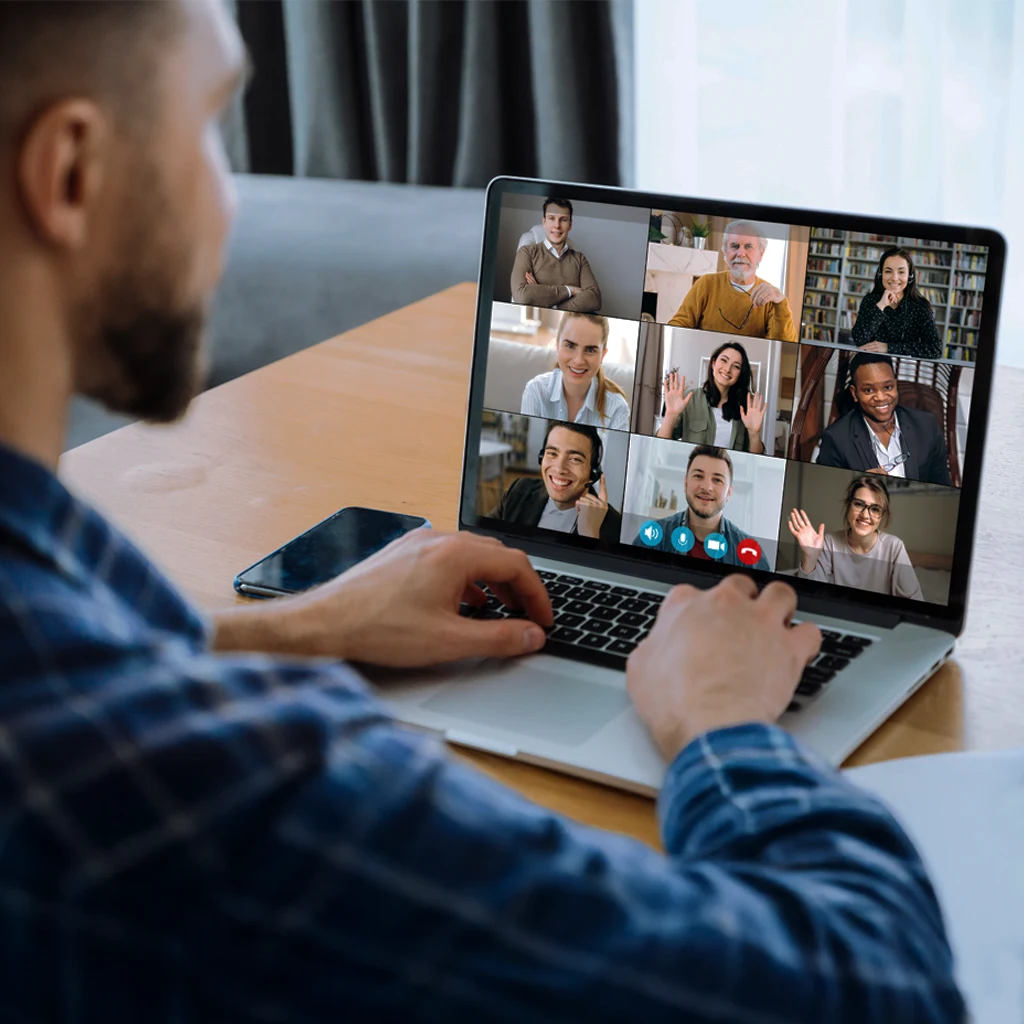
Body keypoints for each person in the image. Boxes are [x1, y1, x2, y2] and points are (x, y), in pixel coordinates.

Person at [0, 2, 966, 1020]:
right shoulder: (225, 801)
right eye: (207, 124)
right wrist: (720, 725)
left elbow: (97, 652)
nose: (230, 203)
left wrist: (294, 626)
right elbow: (874, 985)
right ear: (71, 173)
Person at [816, 353, 953, 486]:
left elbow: (943, 485)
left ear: (895, 385)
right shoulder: (836, 439)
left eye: (887, 387)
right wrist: (859, 483)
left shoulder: (927, 425)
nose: (881, 397)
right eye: (869, 390)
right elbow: (826, 490)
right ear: (855, 393)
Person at [632, 446, 771, 570]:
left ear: (729, 493)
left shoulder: (750, 554)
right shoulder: (651, 539)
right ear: (686, 483)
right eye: (698, 476)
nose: (706, 487)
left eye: (717, 480)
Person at [789, 476, 925, 600]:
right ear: (849, 506)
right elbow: (808, 594)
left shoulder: (894, 547)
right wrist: (810, 557)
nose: (865, 515)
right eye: (859, 504)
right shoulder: (830, 542)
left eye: (875, 509)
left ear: (882, 516)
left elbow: (914, 600)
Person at [667, 219, 797, 341]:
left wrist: (781, 302)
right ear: (725, 252)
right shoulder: (705, 284)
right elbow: (678, 325)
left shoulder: (771, 298)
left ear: (760, 254)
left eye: (748, 246)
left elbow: (784, 344)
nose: (740, 253)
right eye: (734, 246)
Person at [495, 422, 622, 542]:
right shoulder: (520, 489)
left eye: (575, 459)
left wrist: (589, 534)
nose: (559, 468)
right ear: (541, 458)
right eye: (552, 453)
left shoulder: (615, 525)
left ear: (593, 472)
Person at [520, 312, 630, 429]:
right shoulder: (535, 391)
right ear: (557, 346)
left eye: (590, 350)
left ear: (603, 355)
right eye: (570, 346)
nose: (578, 360)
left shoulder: (617, 408)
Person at [656, 340, 767, 453]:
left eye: (736, 366)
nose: (727, 369)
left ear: (740, 373)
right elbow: (660, 448)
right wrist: (671, 415)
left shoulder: (745, 408)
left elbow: (755, 459)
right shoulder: (690, 399)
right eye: (724, 360)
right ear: (713, 363)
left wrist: (754, 434)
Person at [510, 197, 601, 311]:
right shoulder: (527, 252)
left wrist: (545, 300)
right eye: (551, 218)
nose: (557, 225)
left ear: (570, 225)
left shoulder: (579, 258)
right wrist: (569, 291)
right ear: (544, 222)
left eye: (563, 220)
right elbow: (522, 296)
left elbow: (594, 299)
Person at [851, 246, 943, 359]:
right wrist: (881, 305)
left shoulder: (920, 306)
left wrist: (888, 348)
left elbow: (935, 349)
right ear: (881, 275)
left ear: (910, 276)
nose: (894, 278)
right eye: (888, 271)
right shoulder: (870, 301)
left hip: (905, 368)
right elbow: (859, 339)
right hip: (871, 365)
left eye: (901, 272)